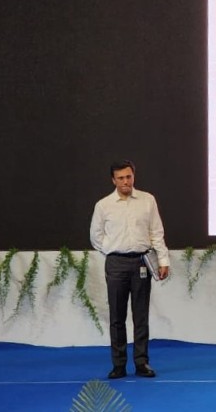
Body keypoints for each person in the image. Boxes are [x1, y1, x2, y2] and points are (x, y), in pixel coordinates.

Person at [90, 160, 170, 379]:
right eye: (121, 178)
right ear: (113, 180)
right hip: (115, 264)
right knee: (117, 316)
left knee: (140, 315)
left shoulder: (147, 200)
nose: (126, 181)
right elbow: (95, 237)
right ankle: (119, 365)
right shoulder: (103, 205)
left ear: (133, 176)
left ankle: (142, 363)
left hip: (142, 263)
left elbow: (157, 232)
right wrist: (113, 249)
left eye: (129, 177)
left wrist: (163, 260)